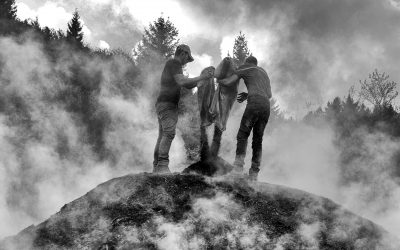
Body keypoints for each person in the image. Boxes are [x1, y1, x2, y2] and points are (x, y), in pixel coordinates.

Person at [153, 44, 214, 173]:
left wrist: (200, 81)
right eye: (187, 58)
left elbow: (188, 85)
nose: (187, 62)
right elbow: (183, 82)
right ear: (183, 53)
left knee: (162, 135)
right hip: (167, 105)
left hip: (163, 104)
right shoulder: (174, 63)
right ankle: (162, 166)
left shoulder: (173, 66)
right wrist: (203, 77)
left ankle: (156, 166)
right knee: (169, 133)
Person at [217, 55, 271, 181]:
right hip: (266, 107)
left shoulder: (246, 67)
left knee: (243, 135)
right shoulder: (264, 72)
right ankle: (254, 174)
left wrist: (218, 81)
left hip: (255, 104)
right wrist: (248, 94)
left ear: (247, 62)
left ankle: (237, 169)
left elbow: (229, 81)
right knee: (258, 140)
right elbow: (269, 94)